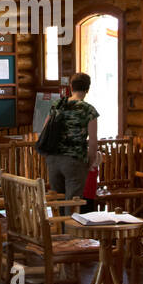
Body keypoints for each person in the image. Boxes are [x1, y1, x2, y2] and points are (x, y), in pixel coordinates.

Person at [39, 72, 100, 203]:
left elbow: (45, 129)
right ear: (87, 89)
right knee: (72, 203)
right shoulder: (89, 110)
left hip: (53, 159)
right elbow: (93, 142)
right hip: (75, 160)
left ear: (71, 87)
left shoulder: (58, 104)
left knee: (58, 201)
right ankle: (69, 224)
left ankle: (59, 224)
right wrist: (89, 162)